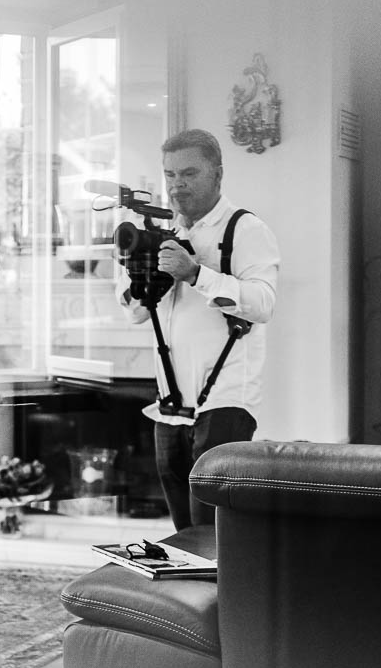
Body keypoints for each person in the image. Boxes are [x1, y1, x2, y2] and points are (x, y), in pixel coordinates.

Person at [116, 127, 279, 530]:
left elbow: (262, 304)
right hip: (170, 403)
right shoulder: (157, 234)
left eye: (189, 173)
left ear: (218, 175)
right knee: (184, 535)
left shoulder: (245, 230)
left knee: (215, 533)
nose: (177, 184)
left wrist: (196, 274)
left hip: (225, 398)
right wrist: (138, 270)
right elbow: (135, 314)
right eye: (170, 175)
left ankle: (228, 594)